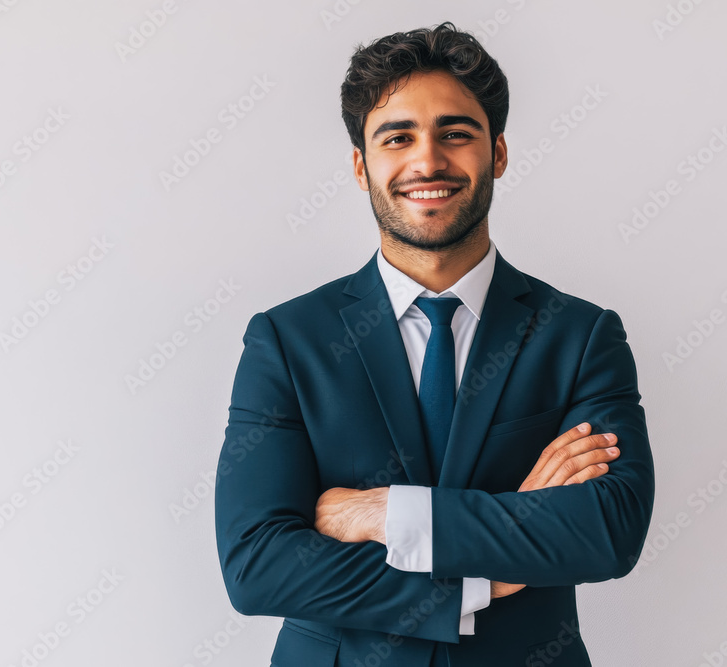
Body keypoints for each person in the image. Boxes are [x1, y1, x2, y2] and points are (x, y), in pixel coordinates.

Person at [214, 22, 653, 666]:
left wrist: (386, 514)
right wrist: (482, 579)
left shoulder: (581, 336)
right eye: (398, 138)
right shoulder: (286, 339)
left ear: (497, 153)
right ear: (363, 167)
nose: (428, 161)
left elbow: (608, 530)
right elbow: (257, 565)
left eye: (456, 133)